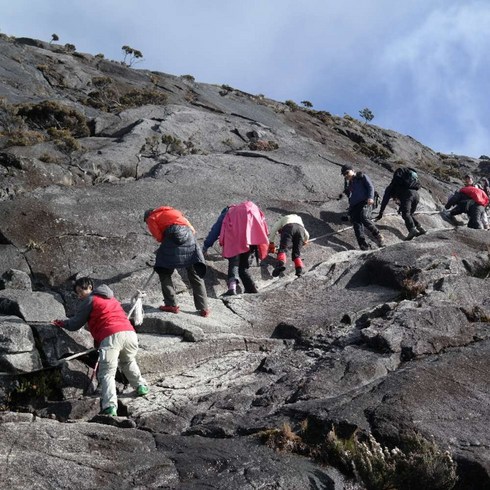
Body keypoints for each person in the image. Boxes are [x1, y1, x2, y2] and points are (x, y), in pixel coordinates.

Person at [52, 277, 149, 417]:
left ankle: (110, 407)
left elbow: (75, 324)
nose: (80, 295)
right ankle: (141, 386)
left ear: (90, 287)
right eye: (77, 293)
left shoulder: (90, 300)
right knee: (128, 361)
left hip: (111, 336)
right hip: (129, 333)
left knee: (107, 374)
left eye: (81, 291)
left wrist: (62, 323)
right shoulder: (111, 298)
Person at [144, 206, 209, 316]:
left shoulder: (151, 218)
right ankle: (204, 308)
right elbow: (192, 230)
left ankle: (171, 304)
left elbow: (159, 237)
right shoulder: (174, 212)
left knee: (163, 271)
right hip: (189, 237)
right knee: (195, 274)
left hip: (171, 237)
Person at [204, 201, 269, 296]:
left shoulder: (227, 212)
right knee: (243, 267)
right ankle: (251, 288)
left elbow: (215, 230)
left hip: (234, 240)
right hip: (250, 240)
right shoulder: (249, 210)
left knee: (234, 263)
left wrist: (206, 246)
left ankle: (232, 289)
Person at [340, 165, 385, 250]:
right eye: (344, 174)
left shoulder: (362, 177)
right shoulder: (351, 183)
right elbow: (351, 198)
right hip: (355, 206)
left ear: (353, 170)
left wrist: (371, 197)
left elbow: (370, 186)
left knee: (364, 217)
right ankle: (363, 246)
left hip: (366, 201)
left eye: (347, 172)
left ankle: (378, 235)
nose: (346, 175)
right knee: (356, 224)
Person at [375, 167, 427, 240]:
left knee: (405, 214)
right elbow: (401, 200)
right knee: (409, 214)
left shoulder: (390, 188)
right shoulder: (403, 186)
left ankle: (412, 230)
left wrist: (380, 213)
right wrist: (401, 207)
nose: (395, 201)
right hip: (416, 195)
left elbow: (384, 201)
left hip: (408, 195)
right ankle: (420, 228)